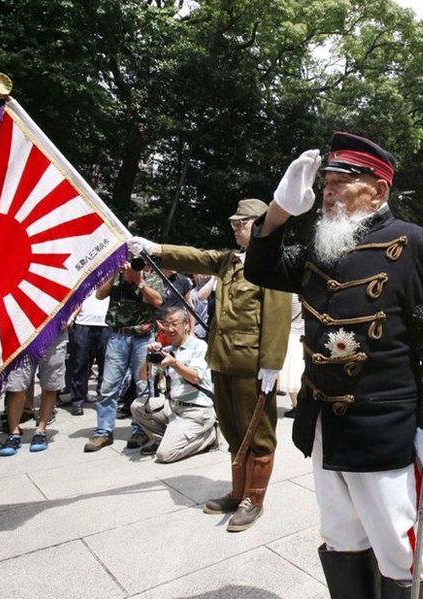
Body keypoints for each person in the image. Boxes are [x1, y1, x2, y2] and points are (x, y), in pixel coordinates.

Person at [244, 132, 423, 599]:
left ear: (378, 190)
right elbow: (260, 268)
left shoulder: (417, 244)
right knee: (341, 537)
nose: (329, 190)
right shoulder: (323, 244)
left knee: (398, 549)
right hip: (324, 423)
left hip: (384, 428)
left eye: (343, 181)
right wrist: (280, 208)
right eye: (327, 182)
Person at [129, 199, 290, 533]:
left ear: (260, 224)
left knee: (257, 432)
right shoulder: (229, 261)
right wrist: (156, 248)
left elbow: (277, 316)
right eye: (233, 224)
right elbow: (196, 255)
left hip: (253, 364)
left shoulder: (274, 262)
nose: (234, 229)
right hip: (223, 359)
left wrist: (272, 364)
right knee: (233, 428)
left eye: (240, 223)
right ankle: (238, 491)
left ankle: (254, 500)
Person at [84, 259, 165, 452]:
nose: (132, 266)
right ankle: (103, 432)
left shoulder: (151, 278)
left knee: (143, 386)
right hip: (118, 336)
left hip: (143, 337)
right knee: (108, 385)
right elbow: (99, 294)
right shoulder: (116, 279)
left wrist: (139, 281)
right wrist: (113, 273)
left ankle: (142, 429)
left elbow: (157, 301)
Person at [130, 306, 217, 462]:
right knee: (137, 406)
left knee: (164, 455)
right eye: (166, 324)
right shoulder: (167, 350)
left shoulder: (199, 346)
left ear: (186, 325)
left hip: (196, 411)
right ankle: (163, 439)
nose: (170, 329)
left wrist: (175, 364)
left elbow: (196, 377)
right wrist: (148, 357)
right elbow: (143, 377)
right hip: (173, 408)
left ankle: (209, 437)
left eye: (175, 324)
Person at [0, 331, 69, 456]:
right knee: (16, 386)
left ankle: (41, 431)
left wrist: (67, 319)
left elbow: (74, 310)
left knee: (50, 385)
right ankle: (13, 433)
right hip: (23, 333)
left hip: (54, 334)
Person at [65, 290, 111, 416]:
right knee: (80, 364)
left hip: (106, 324)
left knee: (105, 365)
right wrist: (72, 316)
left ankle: (103, 399)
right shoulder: (85, 277)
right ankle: (77, 400)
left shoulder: (112, 276)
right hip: (83, 324)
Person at [278, 293, 305, 418]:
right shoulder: (307, 295)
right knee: (299, 374)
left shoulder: (291, 297)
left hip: (292, 335)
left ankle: (297, 406)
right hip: (304, 336)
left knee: (292, 377)